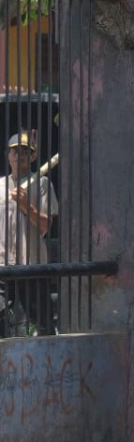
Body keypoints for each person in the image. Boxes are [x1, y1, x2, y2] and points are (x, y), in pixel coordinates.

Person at [1, 130, 58, 337]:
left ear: (32, 156)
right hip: (2, 268)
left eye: (25, 151)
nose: (19, 156)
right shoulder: (0, 187)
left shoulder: (41, 184)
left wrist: (26, 205)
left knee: (40, 326)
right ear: (8, 156)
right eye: (15, 151)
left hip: (32, 265)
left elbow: (45, 227)